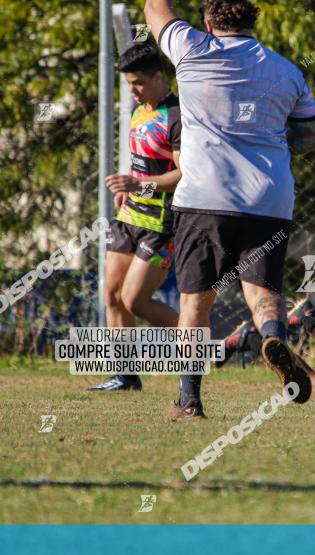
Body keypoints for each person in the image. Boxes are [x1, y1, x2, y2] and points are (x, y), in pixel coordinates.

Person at [144, 0, 315, 419]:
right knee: (263, 292)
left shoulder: (192, 48)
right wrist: (277, 142)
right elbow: (313, 134)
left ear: (208, 23)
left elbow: (155, 6)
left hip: (204, 198)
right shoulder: (286, 70)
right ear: (253, 22)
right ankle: (274, 336)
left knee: (195, 304)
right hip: (269, 198)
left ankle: (189, 399)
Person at [90, 43, 181, 392]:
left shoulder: (176, 116)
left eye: (138, 83)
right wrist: (127, 187)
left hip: (160, 225)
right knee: (112, 295)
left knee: (135, 301)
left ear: (159, 76)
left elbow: (182, 175)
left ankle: (202, 344)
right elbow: (140, 160)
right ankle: (124, 375)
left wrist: (138, 183)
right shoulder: (140, 110)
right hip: (129, 217)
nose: (132, 90)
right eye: (128, 84)